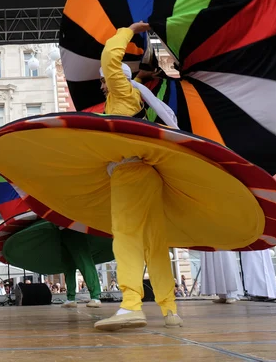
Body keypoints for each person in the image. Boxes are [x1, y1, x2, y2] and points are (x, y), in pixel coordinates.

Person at [93, 22, 183, 331]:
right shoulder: (129, 100)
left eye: (103, 80)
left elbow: (109, 57)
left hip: (128, 174)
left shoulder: (121, 91)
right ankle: (170, 310)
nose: (101, 83)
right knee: (155, 243)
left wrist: (127, 30)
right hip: (148, 174)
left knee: (127, 236)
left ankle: (131, 305)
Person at [60, 229, 102, 309]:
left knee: (84, 262)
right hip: (62, 230)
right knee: (68, 266)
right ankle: (70, 299)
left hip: (74, 229)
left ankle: (95, 297)